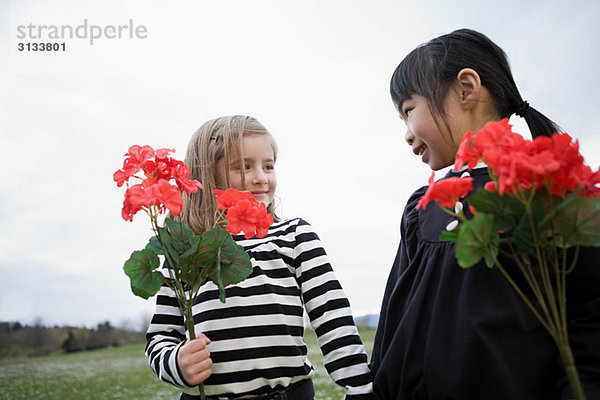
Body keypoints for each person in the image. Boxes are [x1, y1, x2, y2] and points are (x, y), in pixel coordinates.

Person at [370, 29, 600, 399]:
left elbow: (590, 316)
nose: (407, 134)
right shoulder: (423, 207)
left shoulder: (552, 193)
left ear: (466, 88)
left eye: (409, 111)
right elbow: (395, 324)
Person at [146, 115, 374, 400]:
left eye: (268, 165)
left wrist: (360, 386)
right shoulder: (182, 250)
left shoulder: (293, 235)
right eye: (243, 166)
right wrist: (177, 364)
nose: (261, 177)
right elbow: (160, 336)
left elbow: (331, 314)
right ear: (206, 175)